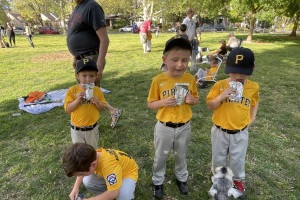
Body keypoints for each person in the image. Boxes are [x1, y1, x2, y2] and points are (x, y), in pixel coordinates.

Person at [147, 36, 199, 199]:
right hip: (164, 127)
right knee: (161, 155)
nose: (180, 64)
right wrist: (162, 102)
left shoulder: (190, 79)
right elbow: (151, 104)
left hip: (184, 126)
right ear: (165, 59)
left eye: (185, 60)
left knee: (181, 154)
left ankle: (182, 178)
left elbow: (196, 99)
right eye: (175, 59)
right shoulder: (158, 80)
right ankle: (157, 181)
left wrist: (192, 100)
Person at [206, 48, 259, 198]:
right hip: (220, 131)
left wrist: (251, 118)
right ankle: (220, 184)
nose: (237, 77)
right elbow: (210, 106)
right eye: (233, 72)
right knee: (218, 159)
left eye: (243, 73)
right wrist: (221, 96)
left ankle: (238, 181)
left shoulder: (253, 87)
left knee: (238, 160)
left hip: (240, 132)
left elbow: (254, 103)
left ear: (251, 69)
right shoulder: (220, 85)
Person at [67, 0, 122, 129]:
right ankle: (112, 111)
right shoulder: (77, 8)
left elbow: (104, 39)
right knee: (85, 92)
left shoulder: (92, 6)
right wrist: (76, 56)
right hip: (82, 59)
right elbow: (80, 33)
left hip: (91, 58)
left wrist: (99, 63)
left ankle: (89, 125)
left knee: (90, 94)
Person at [63, 143, 139, 200]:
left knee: (122, 195)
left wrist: (91, 199)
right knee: (87, 181)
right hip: (114, 171)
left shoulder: (108, 167)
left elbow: (115, 193)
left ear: (93, 165)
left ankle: (123, 192)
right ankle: (109, 189)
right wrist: (75, 188)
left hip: (127, 174)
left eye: (82, 174)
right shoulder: (91, 156)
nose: (80, 176)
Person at [64, 58, 107, 150]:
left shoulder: (97, 91)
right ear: (77, 76)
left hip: (91, 129)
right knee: (80, 153)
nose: (88, 79)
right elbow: (68, 109)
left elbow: (102, 106)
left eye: (91, 76)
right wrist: (77, 100)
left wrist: (97, 103)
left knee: (92, 151)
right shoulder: (72, 90)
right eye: (84, 75)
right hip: (77, 129)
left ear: (96, 76)